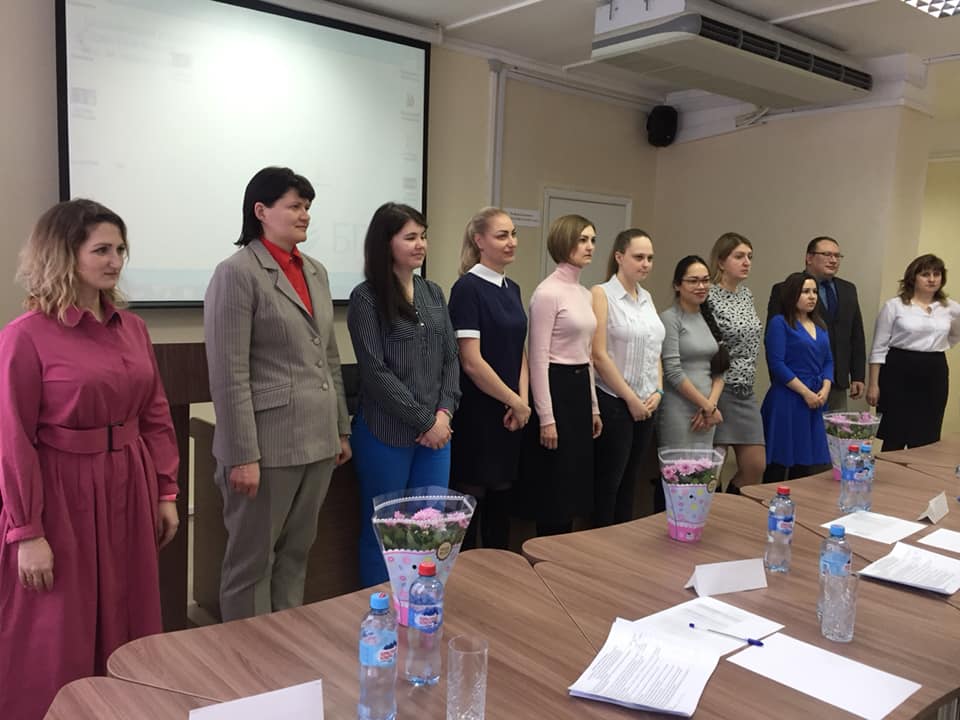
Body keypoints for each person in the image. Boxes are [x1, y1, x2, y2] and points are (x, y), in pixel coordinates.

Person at [0, 199, 179, 720]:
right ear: (64, 253)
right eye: (101, 249)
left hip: (128, 483)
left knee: (129, 608)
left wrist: (166, 491)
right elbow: (12, 439)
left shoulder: (133, 329)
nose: (115, 260)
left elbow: (155, 414)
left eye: (120, 249)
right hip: (61, 493)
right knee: (58, 624)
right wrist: (27, 532)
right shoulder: (25, 336)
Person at [204, 167, 352, 621]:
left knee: (296, 554)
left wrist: (340, 429)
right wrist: (242, 455)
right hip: (267, 447)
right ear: (261, 211)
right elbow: (229, 373)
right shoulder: (236, 273)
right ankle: (247, 655)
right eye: (294, 206)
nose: (304, 214)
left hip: (317, 440)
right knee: (251, 565)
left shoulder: (315, 271)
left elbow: (328, 356)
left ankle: (286, 646)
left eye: (307, 206)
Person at [348, 202, 460, 586]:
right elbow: (375, 372)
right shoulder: (366, 298)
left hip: (436, 436)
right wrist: (425, 421)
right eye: (410, 237)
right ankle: (381, 606)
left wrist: (443, 414)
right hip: (385, 434)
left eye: (423, 236)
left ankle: (419, 600)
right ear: (386, 243)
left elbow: (451, 359)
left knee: (428, 528)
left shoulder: (434, 293)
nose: (420, 244)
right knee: (386, 532)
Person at [447, 208, 529, 550]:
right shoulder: (467, 288)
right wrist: (514, 400)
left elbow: (520, 351)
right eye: (502, 235)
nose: (511, 242)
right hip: (479, 411)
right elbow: (471, 362)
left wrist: (522, 402)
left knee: (501, 506)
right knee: (470, 508)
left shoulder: (513, 288)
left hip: (512, 412)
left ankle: (500, 573)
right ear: (479, 241)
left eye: (513, 234)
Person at [523, 214, 602, 537]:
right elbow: (537, 357)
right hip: (555, 387)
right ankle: (545, 554)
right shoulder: (547, 292)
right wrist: (546, 417)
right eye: (582, 240)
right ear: (564, 242)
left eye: (592, 240)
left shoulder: (584, 294)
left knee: (574, 485)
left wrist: (594, 407)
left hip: (580, 388)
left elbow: (588, 354)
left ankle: (565, 555)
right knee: (554, 486)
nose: (590, 246)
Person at [590, 229, 664, 527]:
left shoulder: (647, 297)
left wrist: (658, 391)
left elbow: (655, 350)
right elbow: (598, 355)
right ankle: (600, 544)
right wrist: (631, 399)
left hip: (647, 403)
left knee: (631, 482)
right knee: (609, 484)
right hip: (615, 401)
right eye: (639, 257)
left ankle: (622, 542)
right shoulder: (601, 293)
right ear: (620, 257)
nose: (645, 264)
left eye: (650, 258)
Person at [867, 254, 960, 450]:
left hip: (934, 369)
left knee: (927, 432)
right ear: (913, 277)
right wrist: (873, 385)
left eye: (936, 274)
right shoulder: (895, 306)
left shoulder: (950, 308)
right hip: (899, 368)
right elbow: (878, 348)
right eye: (925, 274)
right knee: (895, 432)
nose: (932, 279)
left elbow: (954, 336)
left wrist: (937, 346)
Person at [767, 236, 865, 411]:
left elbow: (856, 334)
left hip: (836, 379)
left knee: (835, 427)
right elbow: (774, 342)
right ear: (809, 258)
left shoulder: (848, 289)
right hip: (798, 382)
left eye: (837, 256)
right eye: (827, 254)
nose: (833, 260)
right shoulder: (784, 290)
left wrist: (858, 374)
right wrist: (780, 380)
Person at [761, 272, 833, 482]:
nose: (812, 296)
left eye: (814, 292)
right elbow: (777, 364)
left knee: (805, 462)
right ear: (792, 294)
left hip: (816, 398)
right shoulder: (780, 323)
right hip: (788, 397)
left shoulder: (820, 325)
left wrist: (825, 388)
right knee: (779, 461)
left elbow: (829, 361)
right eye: (805, 292)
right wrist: (805, 393)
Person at [707, 233, 765, 493]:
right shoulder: (708, 296)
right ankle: (712, 509)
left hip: (745, 390)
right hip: (719, 388)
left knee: (755, 466)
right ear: (721, 262)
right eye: (739, 256)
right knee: (712, 470)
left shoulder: (746, 295)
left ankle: (731, 501)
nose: (746, 262)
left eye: (750, 257)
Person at [658, 256, 729, 458]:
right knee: (678, 472)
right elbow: (672, 371)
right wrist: (706, 406)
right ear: (677, 285)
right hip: (679, 411)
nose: (701, 286)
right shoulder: (670, 318)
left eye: (705, 280)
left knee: (702, 472)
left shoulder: (709, 318)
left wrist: (710, 406)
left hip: (707, 413)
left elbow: (720, 369)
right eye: (693, 281)